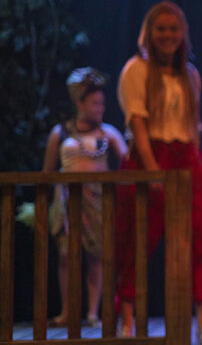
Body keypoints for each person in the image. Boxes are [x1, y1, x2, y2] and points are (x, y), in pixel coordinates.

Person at [115, 0, 202, 343]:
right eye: (160, 28)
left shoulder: (190, 75)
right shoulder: (136, 69)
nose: (167, 35)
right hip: (150, 157)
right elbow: (138, 124)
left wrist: (195, 168)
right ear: (149, 32)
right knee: (136, 238)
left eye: (173, 29)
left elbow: (193, 129)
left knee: (200, 240)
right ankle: (128, 322)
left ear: (182, 34)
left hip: (186, 158)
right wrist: (152, 171)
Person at [41, 67, 128, 327]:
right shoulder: (61, 133)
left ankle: (92, 312)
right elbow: (47, 171)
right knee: (66, 255)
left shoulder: (108, 134)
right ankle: (68, 311)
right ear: (80, 103)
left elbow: (127, 161)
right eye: (95, 103)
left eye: (102, 103)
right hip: (68, 202)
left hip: (98, 201)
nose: (100, 108)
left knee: (96, 254)